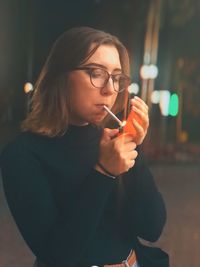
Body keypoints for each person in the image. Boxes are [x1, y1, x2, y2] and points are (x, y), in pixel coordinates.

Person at [0, 27, 167, 267]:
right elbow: (58, 254)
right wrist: (103, 172)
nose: (110, 89)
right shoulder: (22, 155)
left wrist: (133, 149)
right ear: (61, 76)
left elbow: (152, 227)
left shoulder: (113, 140)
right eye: (96, 73)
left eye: (117, 77)